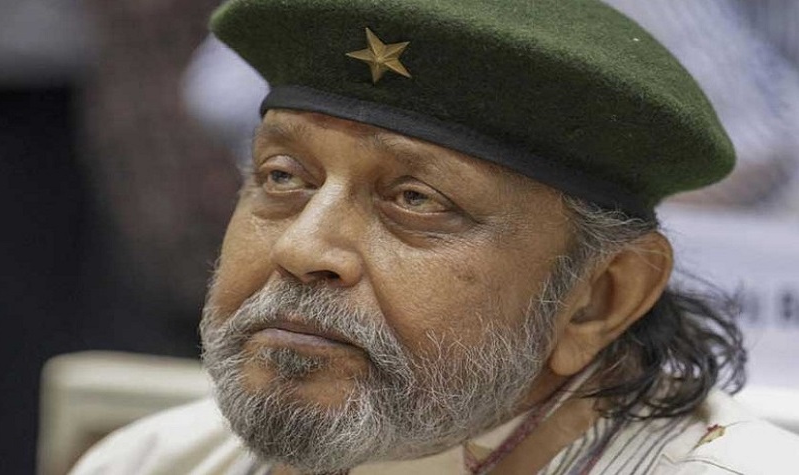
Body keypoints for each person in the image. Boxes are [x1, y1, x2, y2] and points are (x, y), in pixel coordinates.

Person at [71, 0, 799, 473]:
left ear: (597, 298)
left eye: (415, 200)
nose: (302, 249)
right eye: (283, 177)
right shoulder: (152, 461)